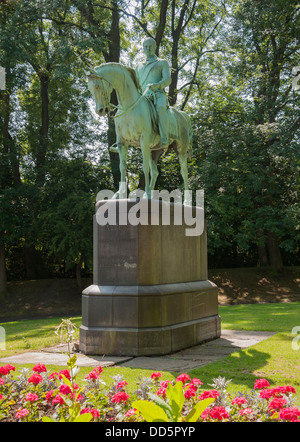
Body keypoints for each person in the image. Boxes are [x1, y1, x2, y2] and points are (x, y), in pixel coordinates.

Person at [135, 37, 171, 150]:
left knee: (160, 109)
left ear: (155, 47)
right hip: (142, 96)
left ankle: (164, 137)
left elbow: (168, 80)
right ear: (143, 48)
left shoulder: (162, 63)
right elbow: (135, 83)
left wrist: (157, 85)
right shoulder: (138, 66)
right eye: (146, 46)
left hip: (157, 94)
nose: (148, 48)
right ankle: (123, 139)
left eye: (150, 46)